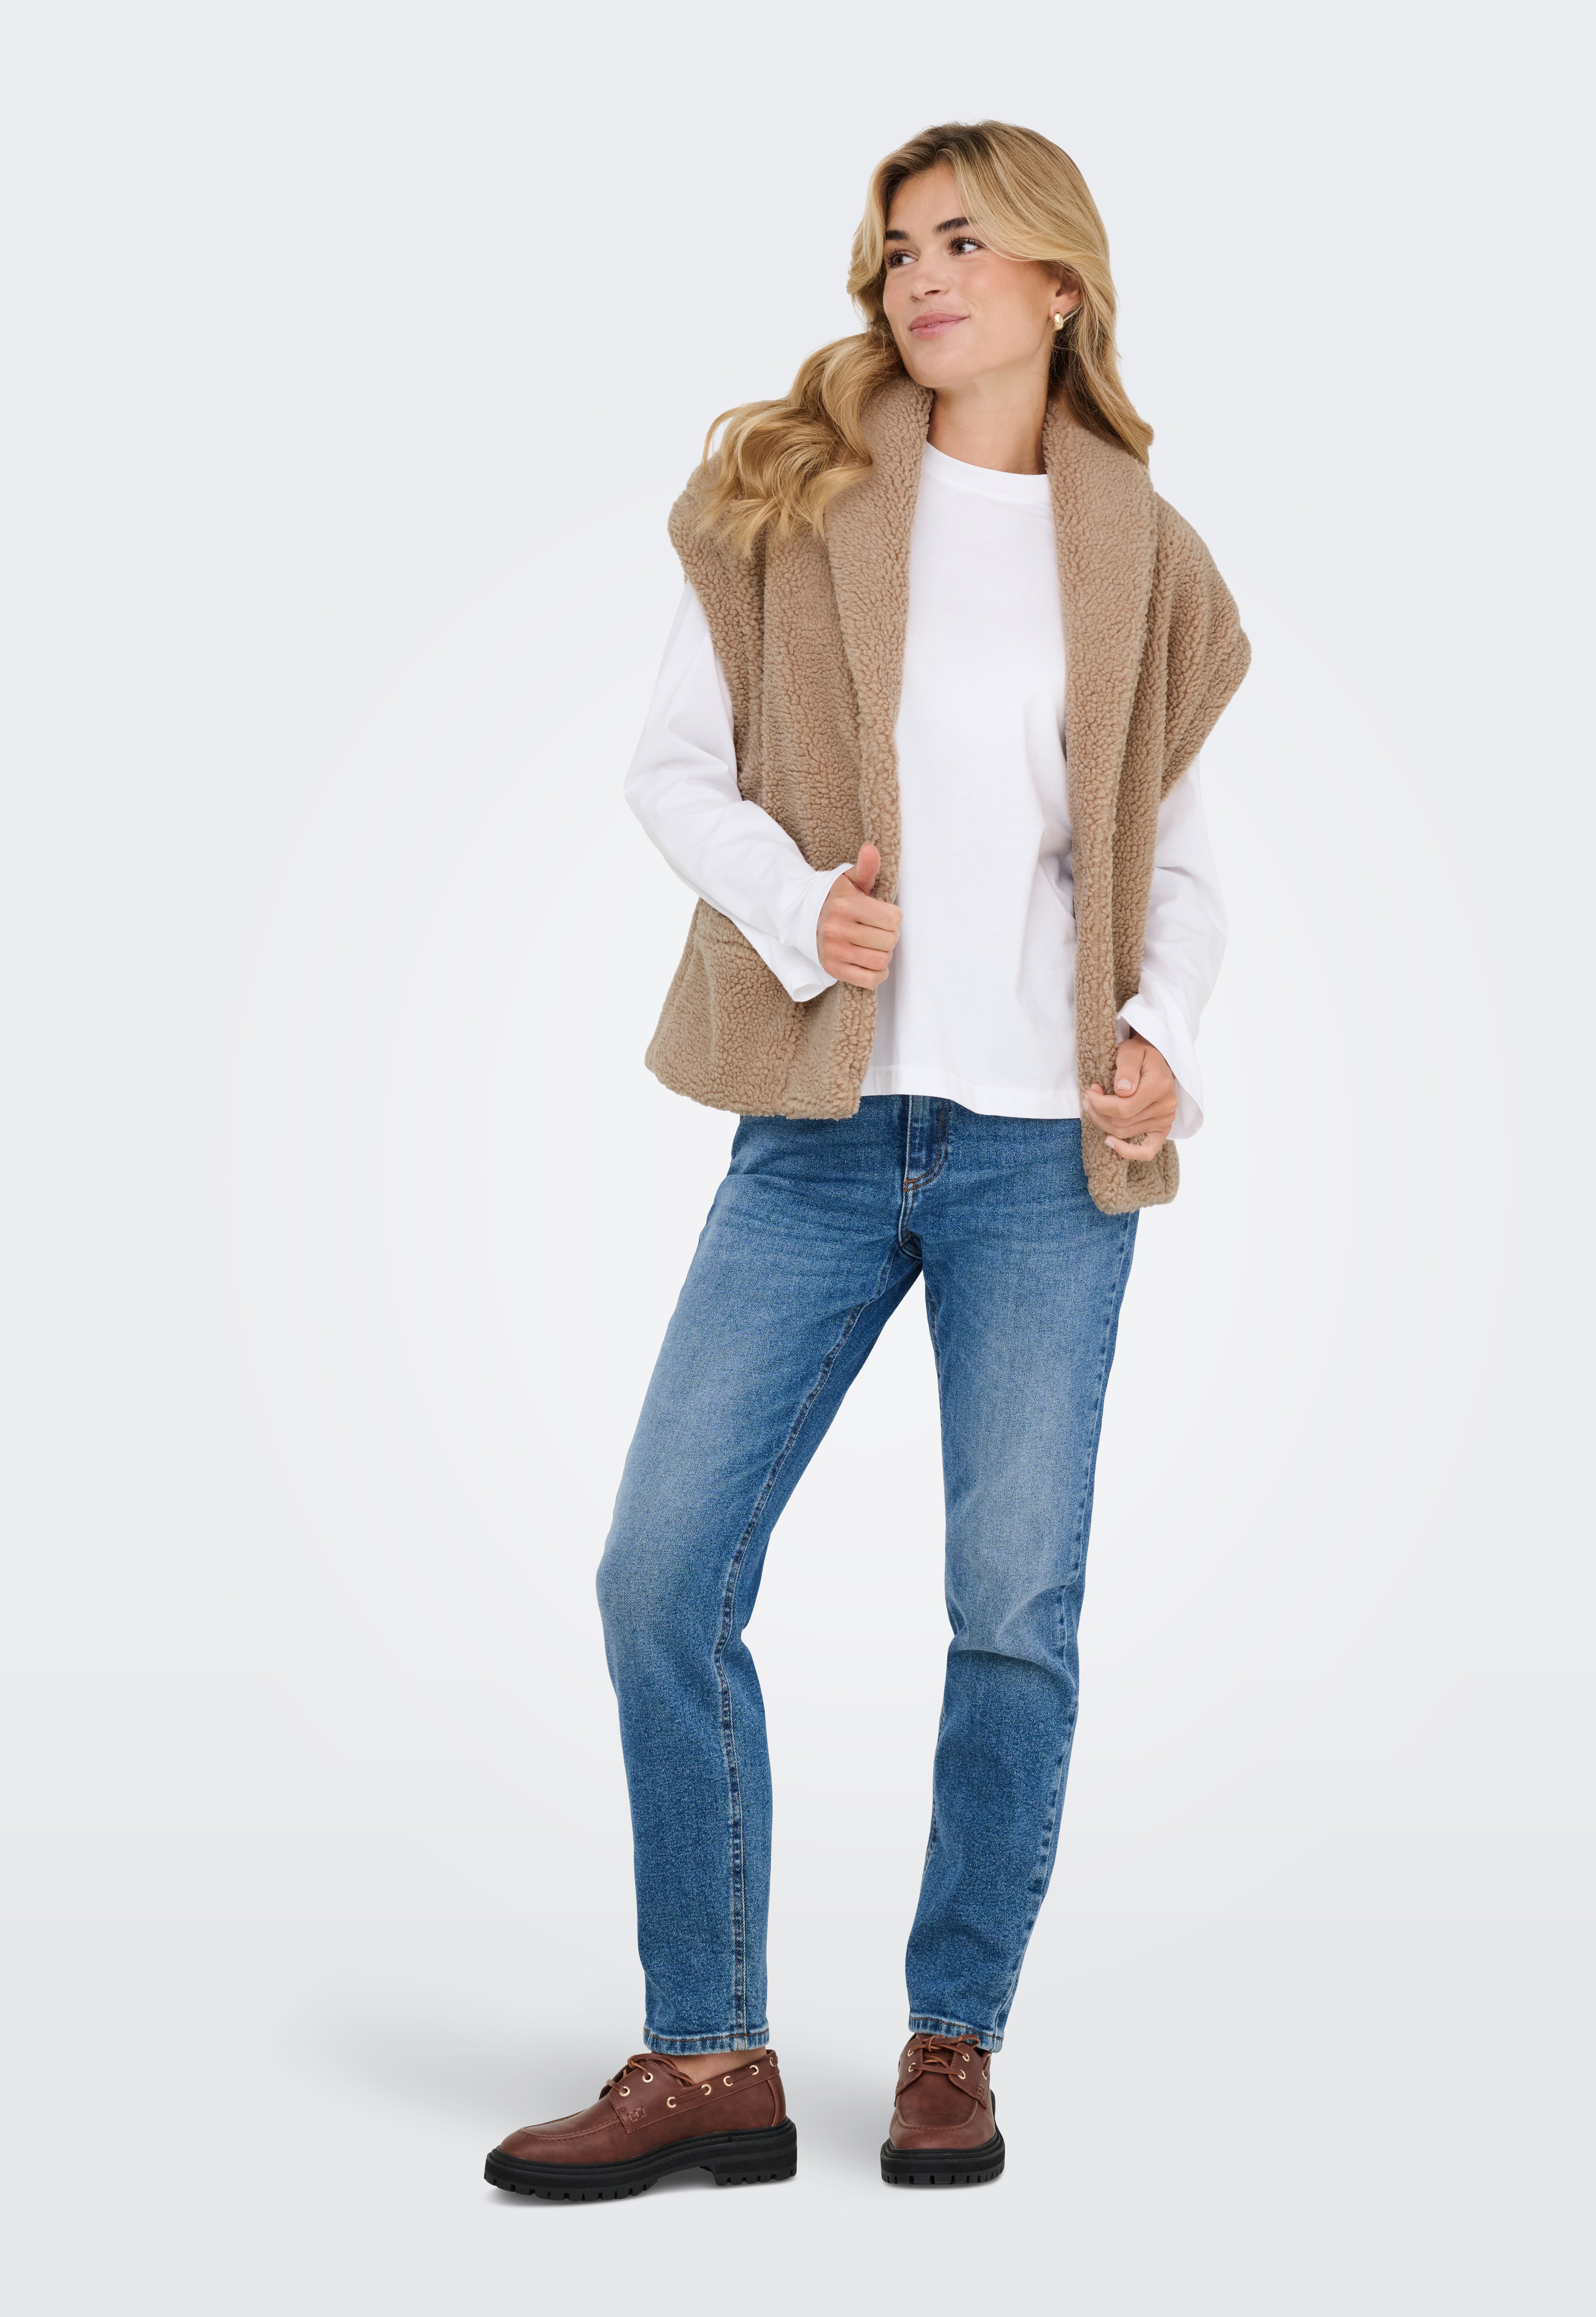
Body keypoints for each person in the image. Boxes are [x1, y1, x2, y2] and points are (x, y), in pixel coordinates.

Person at [484, 118, 1250, 2203]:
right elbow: (671, 769)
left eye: (964, 242)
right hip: (819, 1139)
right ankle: (708, 2057)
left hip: (1040, 1160)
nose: (919, 276)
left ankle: (951, 2040)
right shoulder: (797, 498)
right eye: (898, 245)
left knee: (1012, 1609)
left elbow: (1172, 861)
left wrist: (1164, 1042)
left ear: (1060, 284)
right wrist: (792, 899)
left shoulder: (1142, 550)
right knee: (660, 1573)